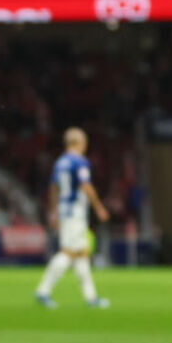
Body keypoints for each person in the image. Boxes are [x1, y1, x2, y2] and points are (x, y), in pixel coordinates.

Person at [35, 128, 111, 308]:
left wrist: (53, 212)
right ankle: (43, 290)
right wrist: (99, 207)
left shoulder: (60, 162)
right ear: (79, 143)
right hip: (75, 212)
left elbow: (53, 188)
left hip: (64, 210)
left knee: (82, 253)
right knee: (69, 252)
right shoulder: (79, 162)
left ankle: (90, 297)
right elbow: (86, 185)